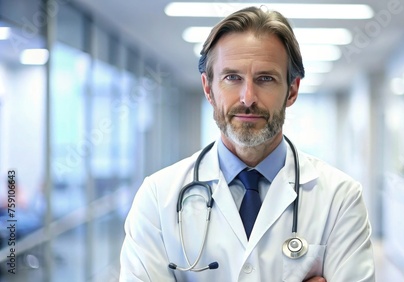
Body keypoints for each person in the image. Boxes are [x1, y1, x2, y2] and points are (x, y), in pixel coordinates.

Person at [120, 6, 375, 282]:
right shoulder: (158, 198)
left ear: (292, 90)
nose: (248, 97)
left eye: (266, 79)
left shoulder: (340, 198)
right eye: (232, 78)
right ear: (209, 88)